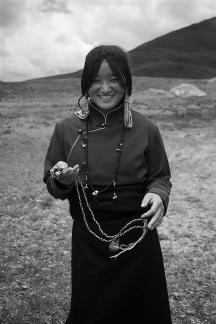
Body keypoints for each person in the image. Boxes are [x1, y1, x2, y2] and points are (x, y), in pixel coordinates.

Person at [43, 45, 172, 324]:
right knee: (92, 311)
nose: (104, 88)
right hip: (88, 239)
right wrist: (61, 180)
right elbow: (52, 182)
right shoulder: (65, 129)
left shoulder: (146, 128)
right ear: (85, 83)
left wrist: (159, 195)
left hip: (137, 237)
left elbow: (160, 176)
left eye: (114, 79)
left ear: (127, 82)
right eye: (95, 80)